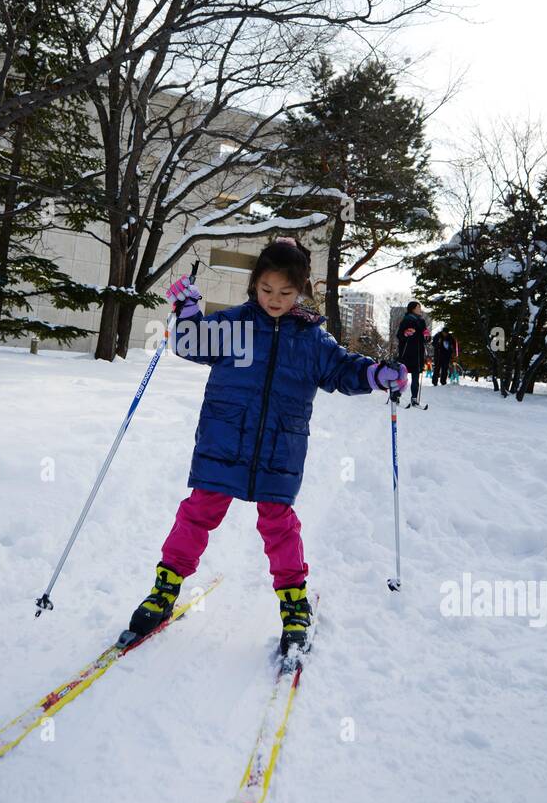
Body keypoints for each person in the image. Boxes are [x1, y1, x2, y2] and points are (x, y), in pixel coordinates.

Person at [128, 238, 408, 655]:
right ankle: (164, 588)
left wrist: (376, 376)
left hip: (281, 447)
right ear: (254, 285)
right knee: (198, 513)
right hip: (223, 441)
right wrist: (187, 310)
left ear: (301, 292)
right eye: (266, 290)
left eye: (285, 292)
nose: (274, 300)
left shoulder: (312, 341)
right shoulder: (234, 327)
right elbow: (191, 343)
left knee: (279, 525)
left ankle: (294, 605)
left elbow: (343, 369)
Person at [395, 300, 430, 406]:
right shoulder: (406, 320)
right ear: (413, 309)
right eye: (419, 307)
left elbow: (426, 337)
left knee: (415, 378)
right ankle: (396, 395)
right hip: (407, 352)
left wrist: (427, 336)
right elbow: (399, 335)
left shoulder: (422, 321)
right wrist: (406, 334)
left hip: (418, 353)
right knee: (402, 376)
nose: (420, 309)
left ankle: (414, 398)